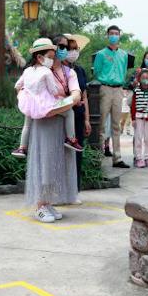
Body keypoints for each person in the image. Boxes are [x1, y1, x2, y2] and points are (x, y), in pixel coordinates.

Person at [25, 34, 82, 223]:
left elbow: (76, 94)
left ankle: (49, 202)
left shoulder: (69, 72)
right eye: (59, 45)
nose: (62, 49)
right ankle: (40, 205)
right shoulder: (35, 71)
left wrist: (64, 104)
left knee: (58, 163)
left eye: (66, 46)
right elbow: (21, 90)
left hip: (60, 122)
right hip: (43, 122)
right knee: (45, 162)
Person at [11, 38, 81, 159]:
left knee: (26, 125)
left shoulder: (27, 70)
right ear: (40, 57)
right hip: (44, 106)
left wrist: (23, 95)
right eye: (50, 57)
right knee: (69, 112)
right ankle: (71, 138)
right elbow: (53, 90)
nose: (51, 60)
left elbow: (17, 86)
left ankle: (22, 148)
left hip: (29, 104)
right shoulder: (46, 71)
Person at [92, 25, 133, 168]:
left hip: (118, 89)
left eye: (116, 33)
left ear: (119, 35)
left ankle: (117, 157)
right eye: (111, 33)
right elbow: (96, 71)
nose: (114, 36)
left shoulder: (124, 55)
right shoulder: (101, 54)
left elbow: (124, 71)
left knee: (117, 125)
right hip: (105, 88)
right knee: (102, 124)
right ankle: (97, 157)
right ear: (107, 35)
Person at [63, 34, 92, 197]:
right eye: (69, 48)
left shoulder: (80, 70)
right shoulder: (58, 71)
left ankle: (75, 191)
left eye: (75, 49)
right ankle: (62, 190)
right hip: (63, 116)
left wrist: (87, 119)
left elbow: (85, 95)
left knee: (77, 154)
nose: (73, 52)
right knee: (64, 153)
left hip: (79, 116)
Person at [131, 69, 148, 168]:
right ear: (139, 79)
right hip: (138, 117)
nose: (145, 79)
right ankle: (139, 158)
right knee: (138, 138)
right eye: (143, 78)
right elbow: (133, 106)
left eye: (147, 78)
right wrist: (133, 118)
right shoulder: (136, 91)